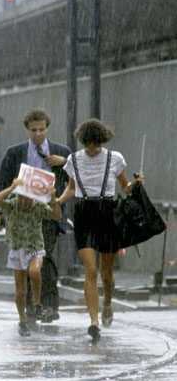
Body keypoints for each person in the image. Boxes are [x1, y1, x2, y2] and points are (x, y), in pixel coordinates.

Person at [58, 118, 143, 342]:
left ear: (103, 141)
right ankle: (94, 321)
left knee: (106, 274)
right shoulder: (72, 160)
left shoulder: (115, 158)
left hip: (107, 213)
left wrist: (134, 184)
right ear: (82, 142)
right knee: (91, 270)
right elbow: (71, 188)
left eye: (96, 144)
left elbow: (124, 186)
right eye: (88, 144)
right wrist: (57, 200)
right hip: (84, 214)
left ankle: (107, 302)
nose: (92, 149)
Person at [0, 108, 71, 323]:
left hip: (48, 213)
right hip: (22, 214)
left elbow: (75, 180)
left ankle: (49, 305)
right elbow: (2, 181)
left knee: (46, 259)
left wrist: (64, 164)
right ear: (27, 130)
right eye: (34, 130)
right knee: (23, 260)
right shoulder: (15, 153)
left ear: (47, 128)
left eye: (42, 129)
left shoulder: (60, 151)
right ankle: (28, 306)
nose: (38, 134)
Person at [0, 177, 62, 336]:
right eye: (20, 197)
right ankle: (22, 318)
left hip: (35, 247)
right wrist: (11, 188)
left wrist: (53, 198)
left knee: (35, 271)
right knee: (21, 291)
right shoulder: (12, 206)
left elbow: (57, 216)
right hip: (17, 248)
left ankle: (37, 302)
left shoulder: (38, 207)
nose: (23, 202)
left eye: (27, 198)